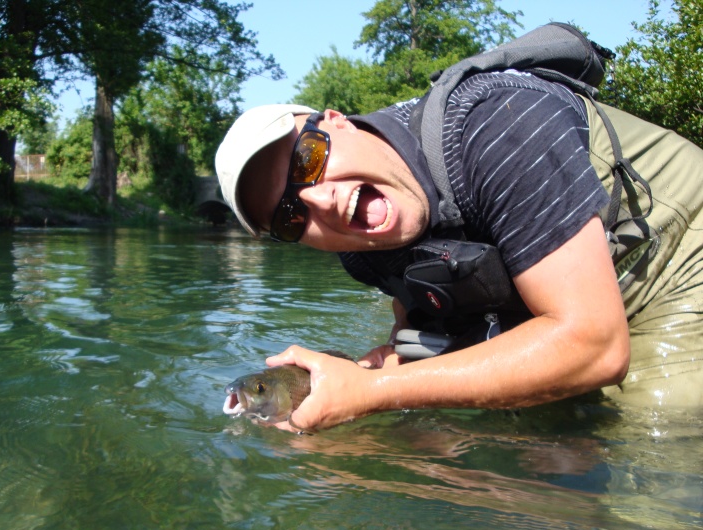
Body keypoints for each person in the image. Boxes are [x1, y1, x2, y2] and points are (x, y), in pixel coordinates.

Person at [215, 68, 703, 433]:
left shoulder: (498, 127)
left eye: (308, 160)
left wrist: (375, 393)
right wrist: (377, 367)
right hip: (572, 295)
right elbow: (417, 310)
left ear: (339, 123)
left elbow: (595, 347)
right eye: (290, 217)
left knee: (645, 439)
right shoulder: (359, 241)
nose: (323, 201)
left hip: (675, 257)